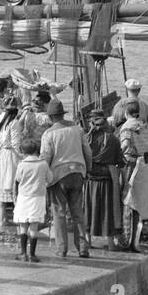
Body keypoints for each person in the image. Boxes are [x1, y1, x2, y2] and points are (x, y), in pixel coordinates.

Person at [40, 100, 92, 259]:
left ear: (50, 117)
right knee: (78, 212)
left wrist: (44, 178)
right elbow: (87, 151)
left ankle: (62, 249)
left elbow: (45, 157)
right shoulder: (77, 129)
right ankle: (83, 248)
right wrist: (88, 169)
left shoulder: (48, 134)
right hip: (77, 173)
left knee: (59, 213)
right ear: (62, 115)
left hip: (58, 176)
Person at [119, 104, 148, 253]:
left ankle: (128, 237)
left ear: (126, 113)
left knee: (128, 200)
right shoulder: (146, 126)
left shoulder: (127, 127)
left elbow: (124, 146)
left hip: (131, 163)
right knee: (143, 199)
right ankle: (143, 233)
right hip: (146, 163)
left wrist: (119, 157)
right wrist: (145, 151)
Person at [84, 108, 125, 247]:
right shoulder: (113, 139)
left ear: (91, 123)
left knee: (89, 208)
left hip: (90, 179)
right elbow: (121, 161)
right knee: (109, 210)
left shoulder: (86, 139)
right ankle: (110, 243)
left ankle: (87, 241)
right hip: (107, 178)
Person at [12, 137, 48, 263]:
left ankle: (23, 253)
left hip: (23, 197)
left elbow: (17, 179)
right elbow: (50, 177)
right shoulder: (43, 164)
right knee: (34, 226)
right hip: (38, 198)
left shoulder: (22, 164)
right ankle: (32, 254)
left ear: (23, 151)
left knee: (23, 225)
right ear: (37, 150)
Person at [0, 95, 22, 233]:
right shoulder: (14, 123)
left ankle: (3, 218)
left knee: (1, 188)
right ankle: (18, 218)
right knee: (15, 187)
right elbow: (16, 145)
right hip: (10, 157)